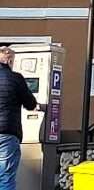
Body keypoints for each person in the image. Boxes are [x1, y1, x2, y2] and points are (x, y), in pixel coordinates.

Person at [0, 47, 43, 190]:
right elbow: (30, 104)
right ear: (9, 61)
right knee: (6, 177)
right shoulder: (15, 78)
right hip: (7, 133)